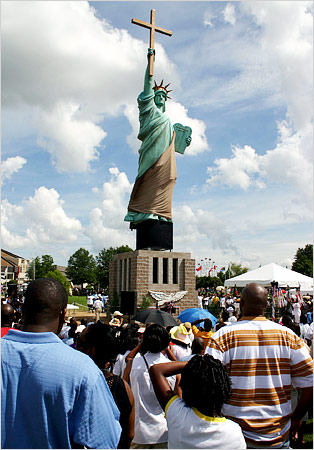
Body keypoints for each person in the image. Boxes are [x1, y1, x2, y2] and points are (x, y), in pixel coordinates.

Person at [1, 278, 121, 449]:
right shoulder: (82, 370)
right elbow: (105, 441)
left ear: (22, 309)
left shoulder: (83, 369)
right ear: (63, 314)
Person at [205, 283, 313, 448]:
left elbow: (208, 384)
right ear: (266, 305)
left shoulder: (221, 337)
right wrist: (297, 417)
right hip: (278, 433)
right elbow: (309, 381)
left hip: (233, 434)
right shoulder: (288, 337)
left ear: (240, 304)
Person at [124, 48, 191, 227]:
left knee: (169, 180)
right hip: (151, 155)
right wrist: (150, 62)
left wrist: (183, 142)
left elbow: (173, 143)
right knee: (147, 179)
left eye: (164, 95)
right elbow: (148, 83)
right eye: (158, 94)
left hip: (167, 159)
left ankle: (160, 213)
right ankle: (143, 211)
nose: (161, 97)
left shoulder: (168, 120)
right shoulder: (149, 111)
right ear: (152, 97)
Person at [149, 355, 246, 449]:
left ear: (186, 388)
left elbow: (156, 370)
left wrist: (196, 366)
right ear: (224, 388)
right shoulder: (234, 433)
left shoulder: (178, 415)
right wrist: (209, 368)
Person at [77, 321, 135, 449]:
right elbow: (130, 434)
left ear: (90, 350)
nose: (76, 347)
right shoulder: (123, 387)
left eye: (79, 343)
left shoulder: (76, 383)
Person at [123, 324, 179, 448]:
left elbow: (124, 391)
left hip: (139, 431)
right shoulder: (172, 368)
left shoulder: (132, 365)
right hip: (164, 431)